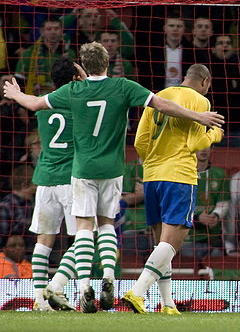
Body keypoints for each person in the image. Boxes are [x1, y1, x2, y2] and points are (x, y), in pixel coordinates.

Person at [2, 41, 223, 314]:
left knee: (76, 232)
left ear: (83, 66)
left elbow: (34, 103)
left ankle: (77, 287)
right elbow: (162, 105)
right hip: (116, 169)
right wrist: (198, 116)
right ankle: (111, 275)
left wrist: (14, 92)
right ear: (108, 62)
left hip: (76, 172)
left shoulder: (72, 92)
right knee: (107, 226)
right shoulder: (123, 86)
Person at [121, 64, 224, 314]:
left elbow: (139, 141)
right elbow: (195, 143)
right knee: (172, 243)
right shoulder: (200, 101)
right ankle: (137, 292)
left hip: (152, 176)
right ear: (205, 81)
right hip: (179, 176)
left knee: (161, 245)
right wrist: (215, 135)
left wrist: (155, 160)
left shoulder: (159, 96)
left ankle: (167, 304)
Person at [29, 57, 84, 311]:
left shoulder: (42, 105)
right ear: (75, 78)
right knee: (85, 238)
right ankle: (58, 285)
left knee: (43, 241)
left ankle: (40, 299)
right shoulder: (79, 106)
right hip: (71, 179)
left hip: (45, 179)